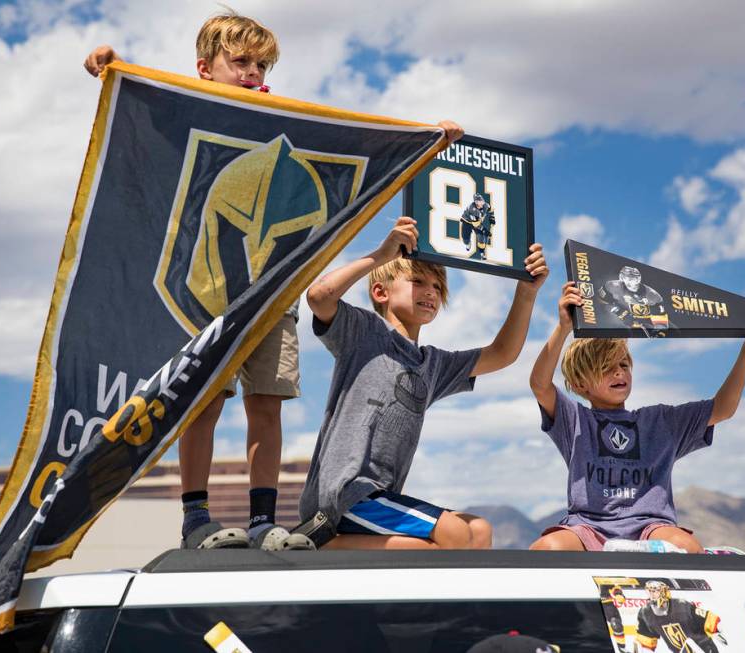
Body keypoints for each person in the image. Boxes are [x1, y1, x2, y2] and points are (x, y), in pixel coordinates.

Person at [83, 13, 463, 550]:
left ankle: (264, 518)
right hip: (206, 293)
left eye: (259, 64)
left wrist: (426, 143)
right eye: (239, 61)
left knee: (267, 402)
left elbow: (363, 152)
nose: (250, 72)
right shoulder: (189, 106)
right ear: (205, 68)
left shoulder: (283, 121)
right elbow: (144, 113)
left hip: (273, 294)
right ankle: (196, 518)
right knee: (204, 402)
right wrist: (108, 66)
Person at [301, 216, 549, 549]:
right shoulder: (363, 333)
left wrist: (527, 292)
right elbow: (318, 297)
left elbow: (502, 353)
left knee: (480, 531)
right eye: (419, 281)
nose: (431, 292)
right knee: (455, 534)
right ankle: (320, 543)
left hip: (382, 500)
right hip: (345, 495)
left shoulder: (432, 364)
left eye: (438, 287)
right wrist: (382, 255)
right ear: (380, 291)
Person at [528, 281, 745, 553]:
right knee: (545, 549)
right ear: (581, 385)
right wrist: (563, 328)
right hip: (588, 527)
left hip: (650, 529)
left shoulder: (660, 421)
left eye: (624, 365)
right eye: (606, 368)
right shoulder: (575, 421)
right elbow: (540, 384)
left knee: (684, 546)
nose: (619, 373)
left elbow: (722, 409)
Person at [635, 580, 725, 652]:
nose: (652, 594)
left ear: (664, 591)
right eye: (650, 591)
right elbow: (645, 642)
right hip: (682, 651)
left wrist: (719, 630)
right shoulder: (646, 613)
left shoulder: (681, 606)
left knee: (690, 644)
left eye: (655, 591)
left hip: (703, 648)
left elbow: (708, 619)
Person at [597, 265, 669, 335]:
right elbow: (599, 301)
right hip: (622, 323)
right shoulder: (612, 286)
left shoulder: (653, 296)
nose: (633, 283)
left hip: (646, 323)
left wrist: (658, 333)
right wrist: (619, 311)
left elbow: (661, 322)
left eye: (635, 279)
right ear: (622, 278)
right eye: (629, 279)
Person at [460, 193, 495, 260]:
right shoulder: (472, 209)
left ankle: (482, 253)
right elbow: (476, 225)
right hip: (467, 222)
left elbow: (491, 210)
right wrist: (485, 230)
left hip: (477, 222)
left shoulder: (486, 205)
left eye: (481, 200)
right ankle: (468, 243)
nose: (481, 202)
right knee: (465, 239)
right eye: (479, 201)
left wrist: (492, 218)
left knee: (481, 238)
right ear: (476, 202)